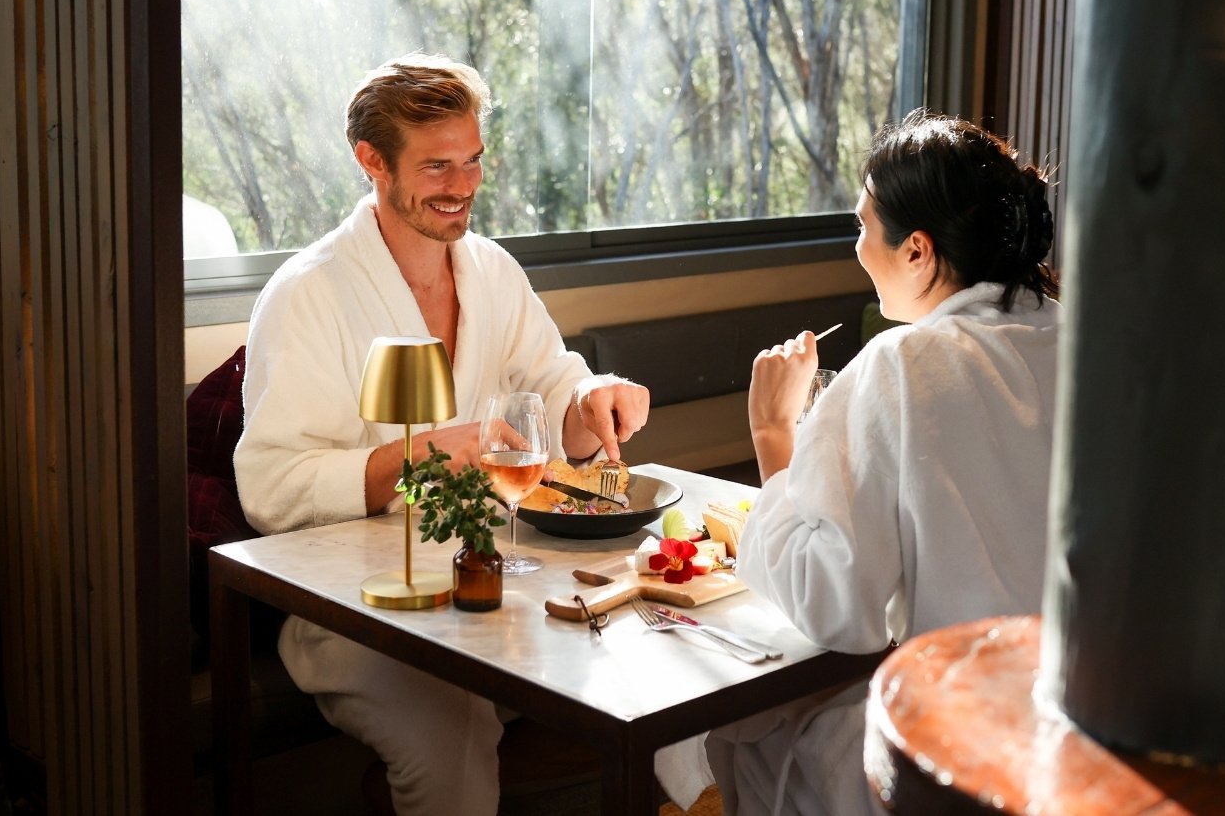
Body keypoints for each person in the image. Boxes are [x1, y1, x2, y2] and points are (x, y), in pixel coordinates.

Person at [234, 53, 649, 815]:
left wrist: (590, 402)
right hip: (363, 605)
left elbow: (553, 387)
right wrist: (415, 457)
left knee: (651, 654)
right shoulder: (306, 294)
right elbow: (270, 485)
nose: (461, 186)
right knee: (453, 733)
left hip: (502, 572)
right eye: (436, 166)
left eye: (472, 161)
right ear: (372, 162)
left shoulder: (492, 271)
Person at [706, 111, 1062, 815]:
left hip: (964, 744)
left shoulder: (903, 363)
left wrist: (771, 430)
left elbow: (837, 605)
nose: (859, 248)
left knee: (746, 727)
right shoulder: (1078, 338)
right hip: (1075, 725)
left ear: (918, 252)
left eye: (864, 227)